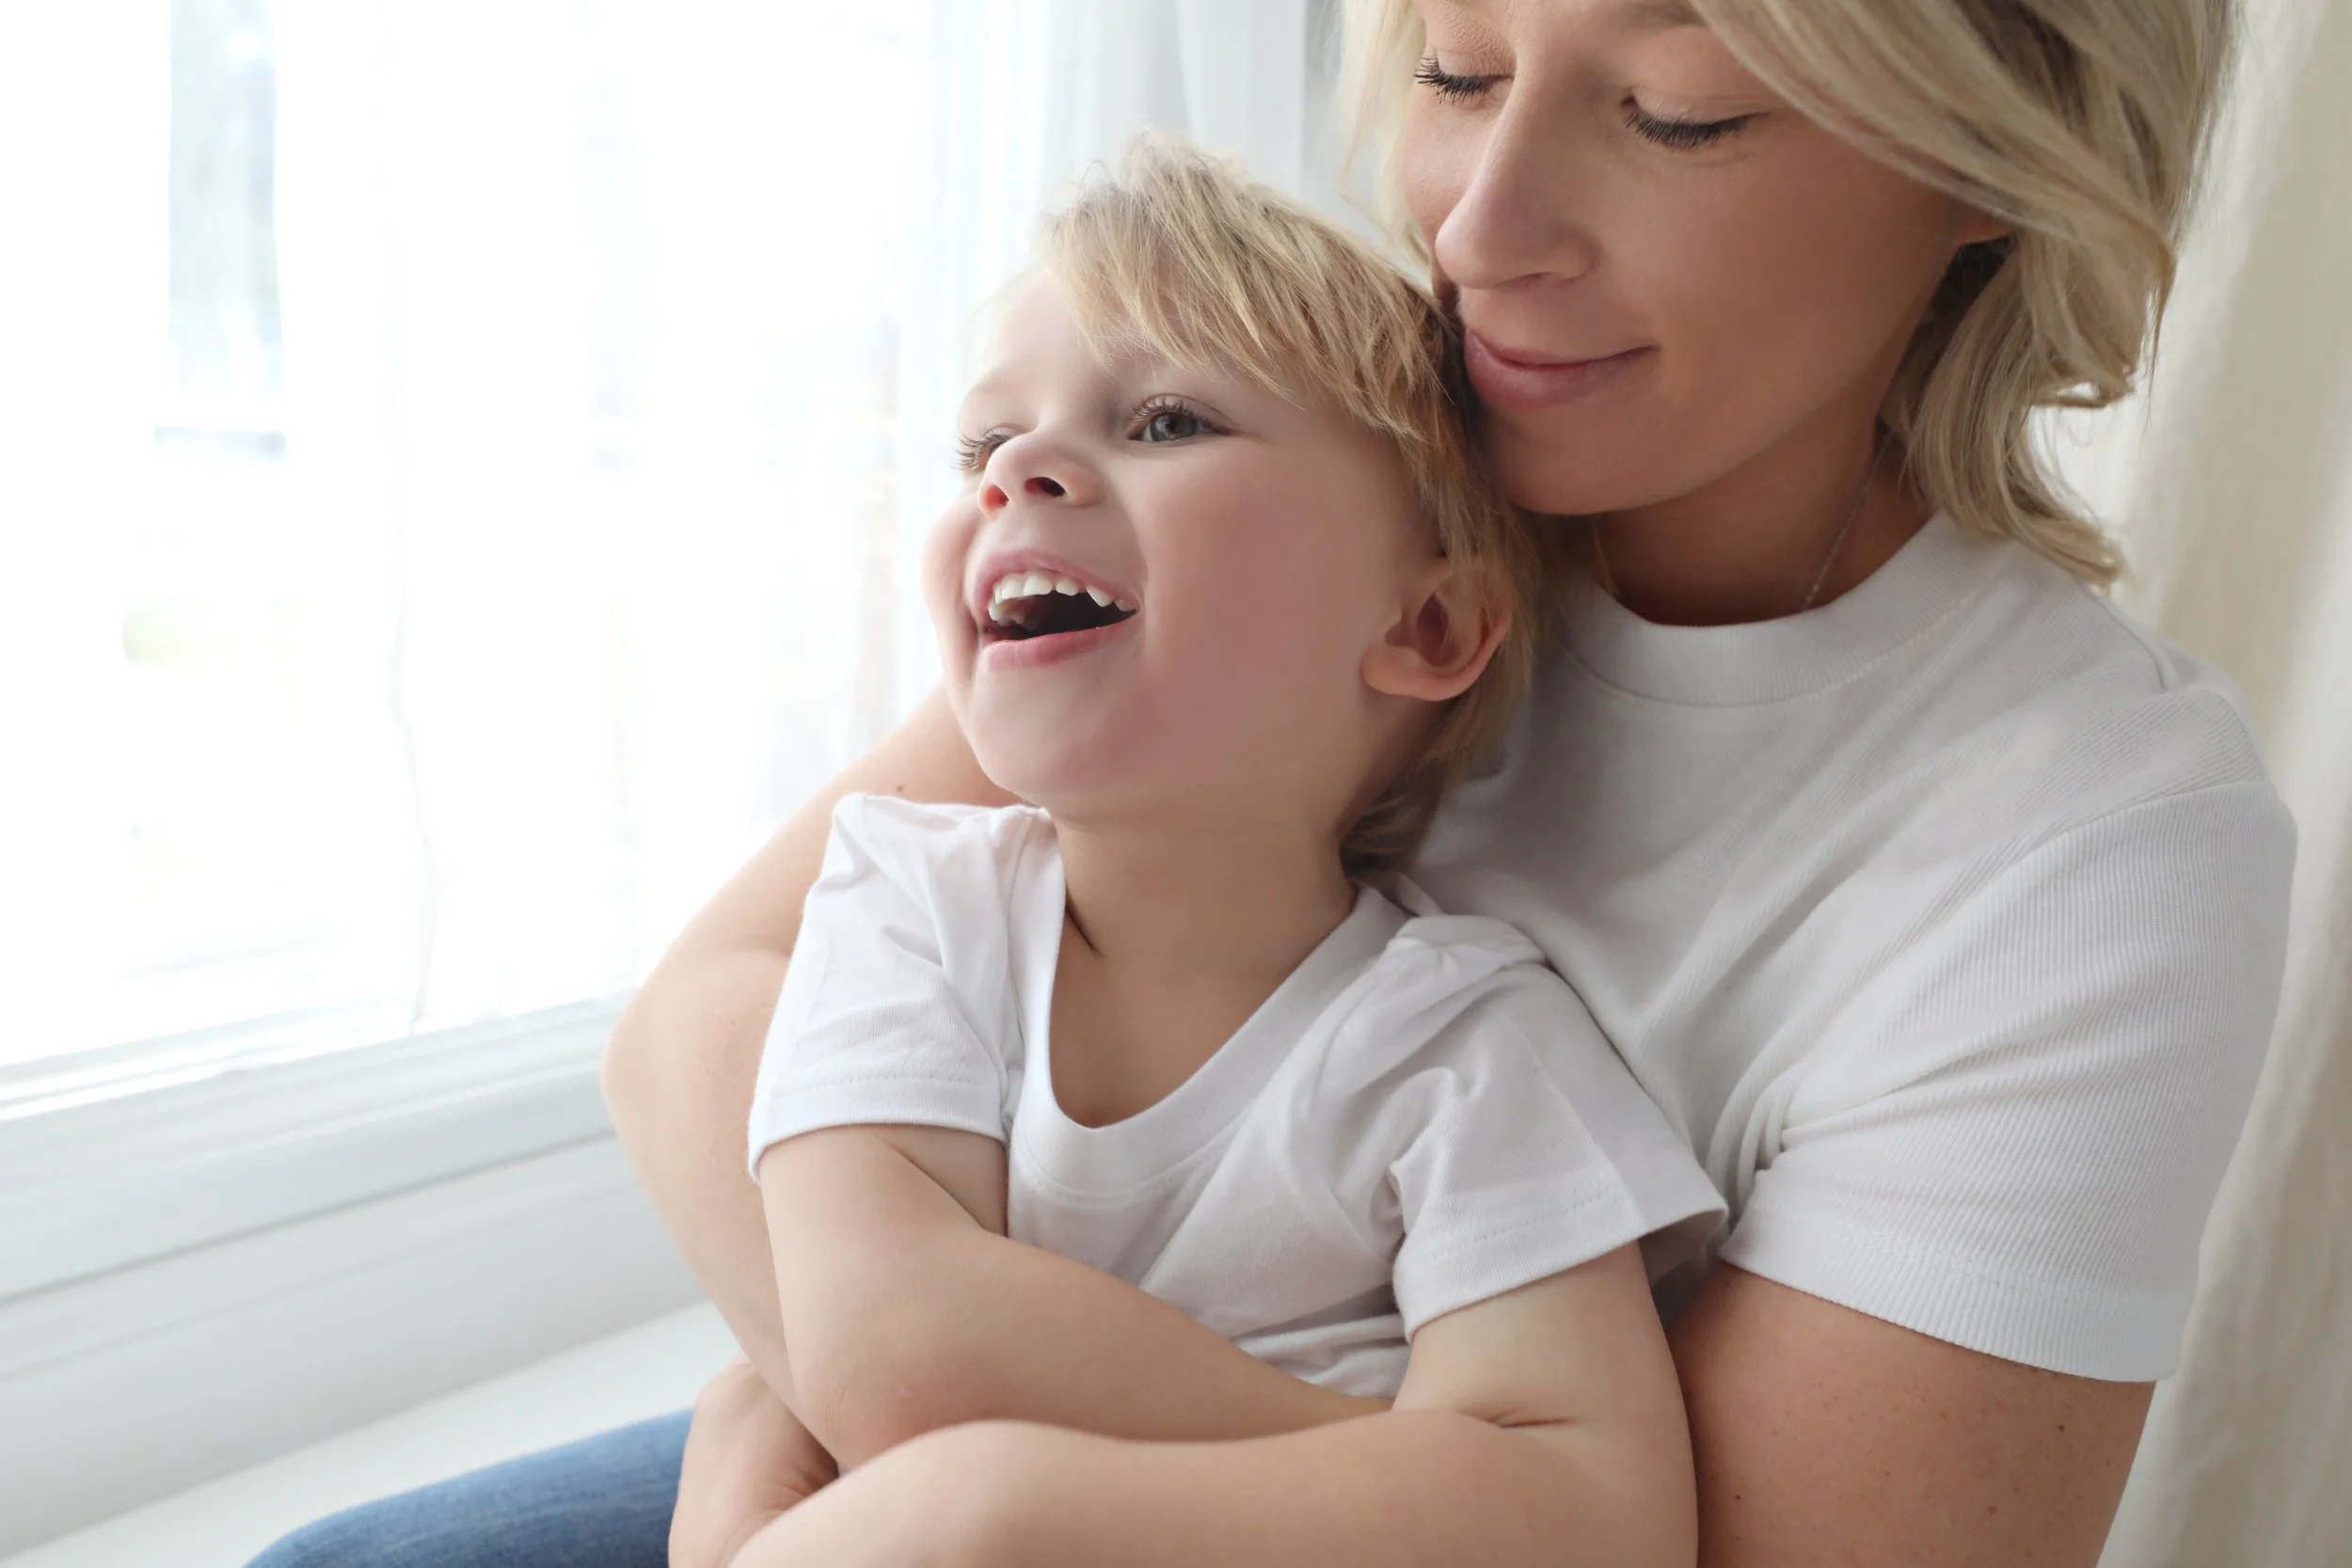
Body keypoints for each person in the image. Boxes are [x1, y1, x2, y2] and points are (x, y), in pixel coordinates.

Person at [247, 0, 2295, 1563]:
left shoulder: (2087, 838)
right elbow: (705, 1021)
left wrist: (967, 1491)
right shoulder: (1320, 477)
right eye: (1458, 68)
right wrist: (848, 1415)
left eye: (1674, 110)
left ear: (1984, 162)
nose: (1480, 235)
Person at [691, 135, 1724, 1567]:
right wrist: (1406, 1475)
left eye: (1166, 420)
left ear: (1425, 626)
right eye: (987, 445)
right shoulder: (906, 907)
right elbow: (892, 1344)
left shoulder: (1462, 1042)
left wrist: (989, 1508)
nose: (1021, 471)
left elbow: (1603, 1521)